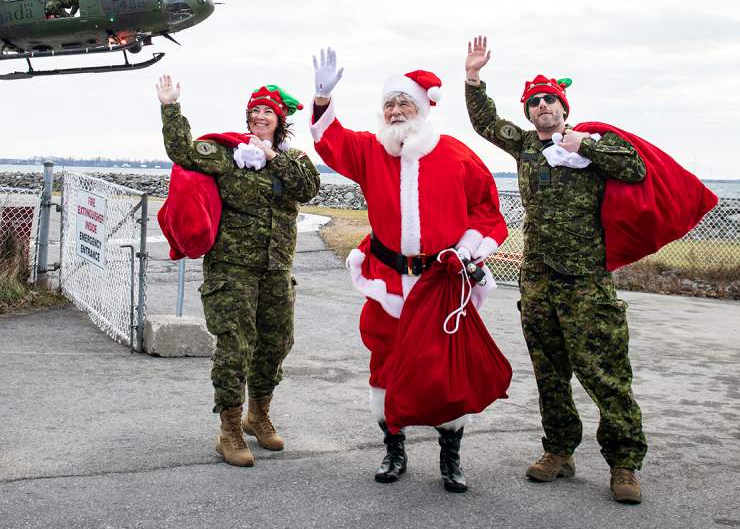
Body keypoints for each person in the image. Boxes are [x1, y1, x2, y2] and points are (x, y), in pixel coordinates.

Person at [309, 48, 508, 493]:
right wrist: (322, 97)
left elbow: (488, 213)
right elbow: (331, 140)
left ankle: (450, 457)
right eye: (389, 105)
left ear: (422, 108)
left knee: (445, 370)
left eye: (404, 103)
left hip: (441, 282)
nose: (396, 111)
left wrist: (469, 250)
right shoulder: (371, 151)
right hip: (388, 281)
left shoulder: (458, 156)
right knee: (387, 363)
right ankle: (393, 449)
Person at [463, 35, 647, 505]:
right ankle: (559, 451)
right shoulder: (526, 146)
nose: (543, 106)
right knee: (549, 373)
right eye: (535, 102)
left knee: (605, 373)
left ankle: (623, 463)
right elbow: (485, 123)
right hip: (539, 278)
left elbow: (636, 169)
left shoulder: (592, 143)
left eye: (550, 100)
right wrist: (474, 78)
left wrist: (585, 144)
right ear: (529, 113)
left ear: (564, 107)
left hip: (586, 281)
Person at [156, 75, 320, 467]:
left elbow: (308, 188)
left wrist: (273, 157)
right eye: (255, 112)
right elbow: (182, 152)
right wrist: (170, 107)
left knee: (276, 344)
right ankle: (228, 430)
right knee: (235, 346)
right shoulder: (228, 153)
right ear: (247, 118)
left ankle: (258, 415)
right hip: (231, 270)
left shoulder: (293, 160)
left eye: (268, 112)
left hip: (277, 268)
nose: (261, 116)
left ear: (280, 121)